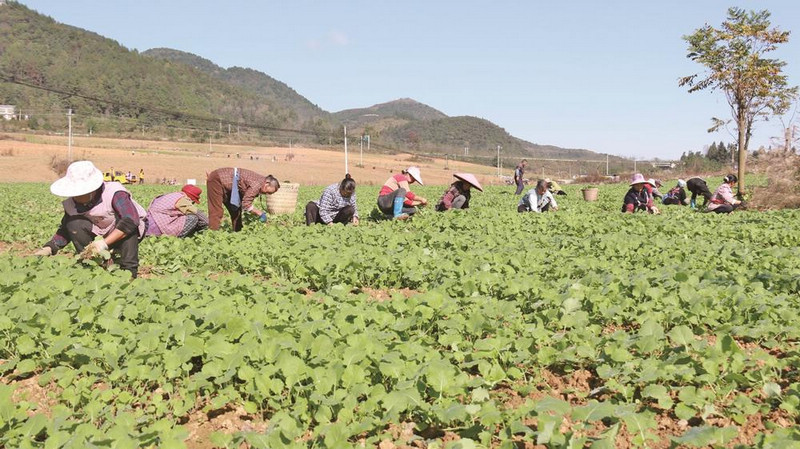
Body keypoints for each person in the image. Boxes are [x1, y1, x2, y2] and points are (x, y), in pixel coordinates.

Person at [33, 161, 147, 278]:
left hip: (125, 230)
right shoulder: (72, 203)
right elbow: (65, 230)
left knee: (127, 225)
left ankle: (128, 272)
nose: (75, 196)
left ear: (92, 190)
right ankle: (93, 264)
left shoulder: (114, 192)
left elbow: (131, 220)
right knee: (73, 223)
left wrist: (104, 243)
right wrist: (49, 247)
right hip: (99, 232)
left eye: (79, 193)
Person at [206, 167, 280, 231]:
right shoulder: (257, 184)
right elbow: (246, 204)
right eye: (268, 192)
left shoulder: (260, 182)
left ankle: (238, 233)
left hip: (229, 187)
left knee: (236, 209)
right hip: (217, 180)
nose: (266, 194)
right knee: (216, 211)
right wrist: (259, 213)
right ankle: (212, 234)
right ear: (267, 183)